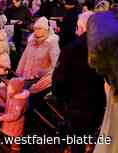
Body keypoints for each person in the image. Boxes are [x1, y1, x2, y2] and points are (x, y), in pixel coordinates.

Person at [53, 11, 106, 153]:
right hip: (100, 102)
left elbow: (59, 79)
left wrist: (60, 98)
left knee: (78, 140)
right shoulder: (106, 48)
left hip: (76, 104)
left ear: (80, 28)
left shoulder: (70, 50)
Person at [16, 17, 60, 96]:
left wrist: (40, 82)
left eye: (39, 28)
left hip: (39, 83)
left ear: (46, 29)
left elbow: (55, 67)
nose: (36, 31)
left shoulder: (52, 44)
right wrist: (18, 75)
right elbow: (23, 59)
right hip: (25, 79)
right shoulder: (31, 41)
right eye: (35, 28)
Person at [0, 78, 30, 153]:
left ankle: (15, 149)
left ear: (16, 89)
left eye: (10, 87)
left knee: (15, 137)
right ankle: (11, 145)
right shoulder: (13, 94)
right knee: (11, 134)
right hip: (10, 119)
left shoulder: (19, 101)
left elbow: (15, 115)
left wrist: (2, 117)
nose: (8, 88)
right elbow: (7, 104)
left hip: (16, 123)